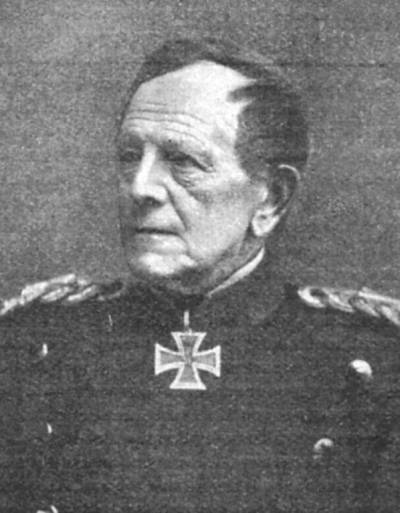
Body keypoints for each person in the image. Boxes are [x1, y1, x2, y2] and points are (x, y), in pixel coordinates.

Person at [1, 37, 400, 513]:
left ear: (271, 198)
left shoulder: (375, 366)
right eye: (130, 156)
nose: (141, 187)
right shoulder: (29, 349)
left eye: (183, 161)